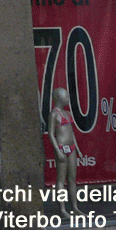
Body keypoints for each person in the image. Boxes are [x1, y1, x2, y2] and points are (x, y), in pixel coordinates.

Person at [48, 87, 83, 218]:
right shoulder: (54, 114)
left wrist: (78, 148)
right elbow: (51, 134)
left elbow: (71, 132)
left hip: (71, 147)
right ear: (58, 98)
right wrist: (57, 150)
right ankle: (62, 209)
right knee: (61, 179)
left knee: (72, 179)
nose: (68, 99)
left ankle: (74, 207)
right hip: (62, 147)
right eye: (66, 96)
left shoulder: (67, 113)